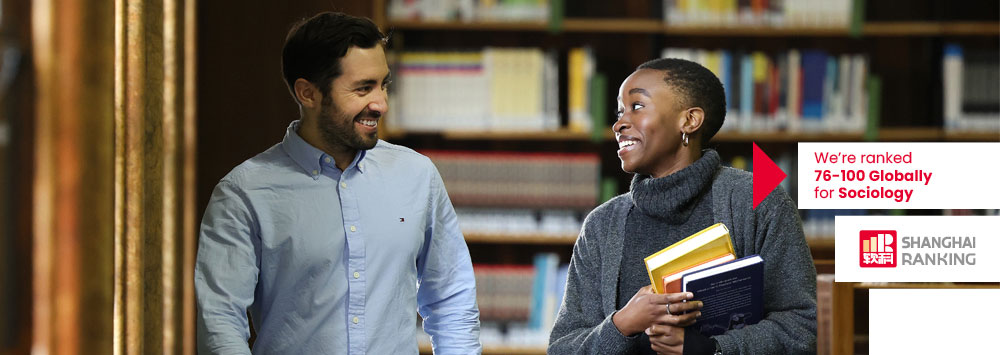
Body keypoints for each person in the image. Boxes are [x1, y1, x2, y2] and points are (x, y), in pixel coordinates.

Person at [194, 12, 481, 355]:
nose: (381, 104)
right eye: (363, 89)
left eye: (383, 84)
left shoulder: (417, 175)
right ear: (308, 94)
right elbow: (220, 323)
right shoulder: (243, 194)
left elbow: (452, 299)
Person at [548, 58, 816, 355]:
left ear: (690, 120)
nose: (619, 124)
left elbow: (801, 327)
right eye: (620, 111)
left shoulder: (757, 201)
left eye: (637, 106)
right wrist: (621, 324)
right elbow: (562, 348)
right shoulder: (602, 224)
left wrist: (711, 350)